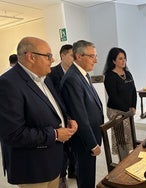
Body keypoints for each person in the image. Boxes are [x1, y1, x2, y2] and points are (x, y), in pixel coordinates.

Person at [0, 36, 78, 188]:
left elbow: (54, 106)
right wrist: (55, 134)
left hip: (53, 161)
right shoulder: (8, 84)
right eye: (48, 56)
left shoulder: (45, 77)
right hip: (33, 168)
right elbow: (13, 134)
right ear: (31, 57)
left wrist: (67, 119)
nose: (53, 59)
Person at [60, 40, 104, 188]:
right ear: (79, 56)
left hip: (91, 133)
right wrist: (92, 144)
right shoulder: (72, 78)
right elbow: (79, 116)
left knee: (89, 173)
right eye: (92, 56)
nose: (96, 60)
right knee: (85, 176)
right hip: (84, 140)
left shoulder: (83, 74)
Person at [48, 44, 76, 188]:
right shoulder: (51, 73)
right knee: (63, 149)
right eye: (72, 55)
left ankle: (72, 170)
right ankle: (62, 176)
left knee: (73, 147)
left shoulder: (75, 72)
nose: (74, 58)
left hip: (74, 117)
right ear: (63, 55)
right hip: (61, 117)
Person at [103, 47, 137, 155]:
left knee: (129, 134)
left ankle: (128, 156)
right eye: (120, 58)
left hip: (127, 110)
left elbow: (133, 91)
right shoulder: (109, 76)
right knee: (120, 136)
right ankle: (122, 158)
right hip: (116, 110)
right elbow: (113, 96)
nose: (124, 61)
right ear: (113, 61)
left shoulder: (128, 73)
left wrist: (133, 106)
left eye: (125, 58)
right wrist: (127, 110)